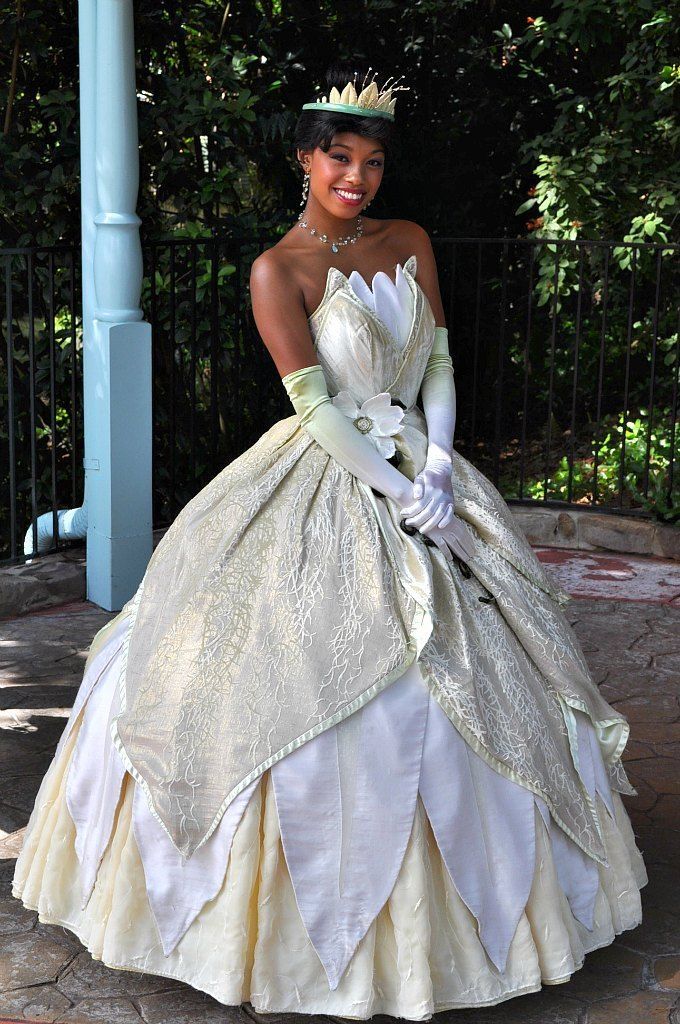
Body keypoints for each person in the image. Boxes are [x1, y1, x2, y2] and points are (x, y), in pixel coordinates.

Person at [12, 61, 647, 1020]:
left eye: (373, 161)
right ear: (305, 158)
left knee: (496, 663)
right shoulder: (278, 269)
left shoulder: (410, 239)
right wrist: (395, 489)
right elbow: (313, 406)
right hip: (335, 471)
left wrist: (438, 465)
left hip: (418, 463)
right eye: (339, 157)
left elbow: (434, 354)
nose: (357, 176)